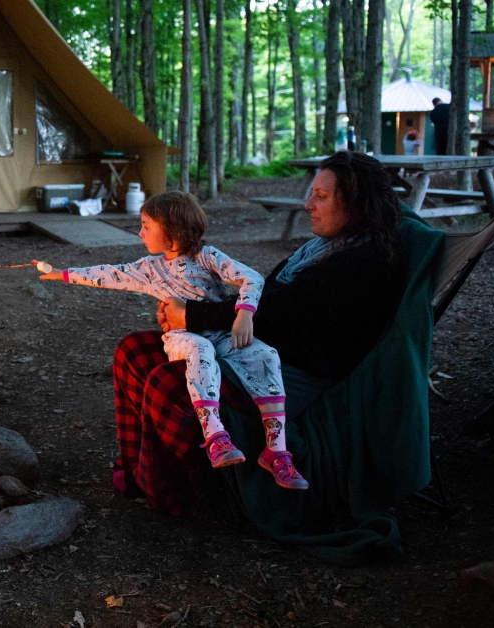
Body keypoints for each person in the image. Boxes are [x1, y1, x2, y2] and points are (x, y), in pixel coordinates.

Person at [113, 151, 403, 513]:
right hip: (251, 346)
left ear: (358, 204)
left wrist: (193, 316)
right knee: (134, 350)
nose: (308, 204)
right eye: (312, 193)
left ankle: (178, 495)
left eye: (322, 197)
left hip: (288, 371)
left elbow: (277, 316)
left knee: (167, 381)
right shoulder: (321, 249)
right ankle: (138, 468)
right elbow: (267, 302)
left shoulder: (361, 263)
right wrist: (191, 308)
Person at [38, 192, 308, 490]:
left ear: (173, 230)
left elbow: (252, 278)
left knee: (265, 354)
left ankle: (277, 450)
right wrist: (62, 274)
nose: (139, 232)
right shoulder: (150, 269)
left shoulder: (207, 257)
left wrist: (244, 313)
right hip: (182, 337)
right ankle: (215, 435)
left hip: (221, 334)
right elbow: (109, 274)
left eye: (146, 225)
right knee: (199, 348)